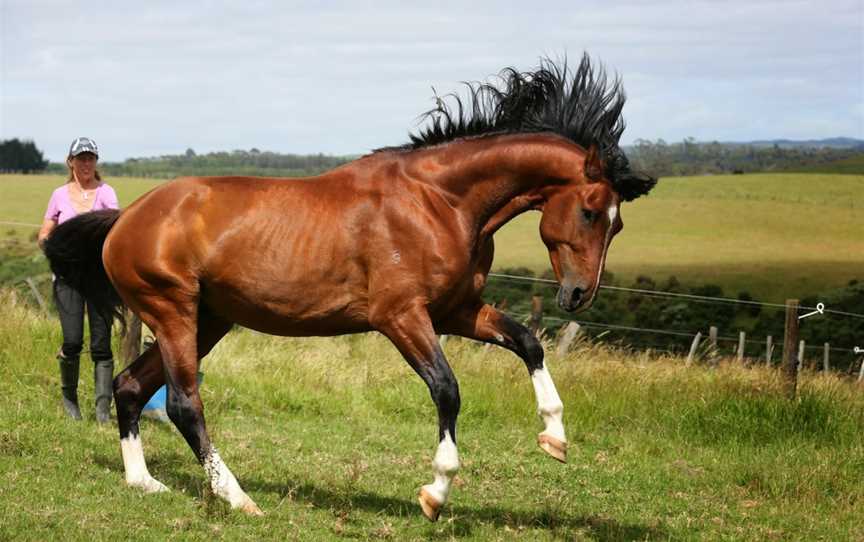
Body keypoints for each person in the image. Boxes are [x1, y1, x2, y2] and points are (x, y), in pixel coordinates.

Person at [38, 137, 119, 422]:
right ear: (70, 161)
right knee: (72, 340)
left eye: (90, 158)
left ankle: (102, 410)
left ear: (96, 162)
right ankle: (70, 401)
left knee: (101, 343)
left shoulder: (106, 192)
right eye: (80, 158)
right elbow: (45, 232)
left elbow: (116, 229)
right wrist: (51, 247)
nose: (86, 163)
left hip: (99, 278)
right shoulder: (59, 195)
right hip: (68, 278)